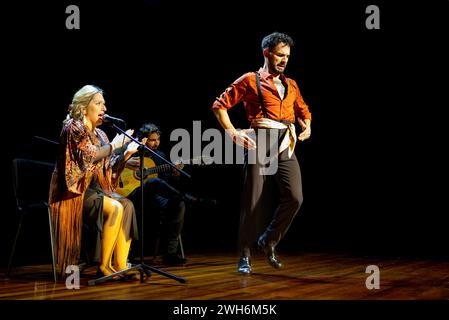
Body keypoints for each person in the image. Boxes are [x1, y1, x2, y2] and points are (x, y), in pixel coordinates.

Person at [211, 32, 312, 274]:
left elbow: (303, 111)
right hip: (260, 140)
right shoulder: (250, 79)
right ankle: (244, 255)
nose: (284, 60)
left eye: (287, 56)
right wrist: (233, 132)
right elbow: (219, 105)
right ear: (267, 52)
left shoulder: (291, 84)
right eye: (279, 54)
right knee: (252, 201)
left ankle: (268, 240)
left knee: (295, 197)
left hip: (285, 143)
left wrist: (307, 125)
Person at [49, 84, 142, 279]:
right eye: (99, 103)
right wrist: (113, 146)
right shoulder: (72, 127)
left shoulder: (101, 134)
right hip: (74, 190)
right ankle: (104, 266)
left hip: (94, 188)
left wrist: (124, 156)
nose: (104, 109)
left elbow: (107, 169)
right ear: (83, 107)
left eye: (104, 104)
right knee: (115, 207)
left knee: (127, 205)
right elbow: (89, 157)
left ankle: (120, 264)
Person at [123, 122, 190, 266]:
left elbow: (164, 183)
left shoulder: (160, 156)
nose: (156, 143)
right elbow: (116, 165)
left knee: (178, 204)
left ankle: (170, 254)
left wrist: (175, 174)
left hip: (154, 198)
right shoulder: (130, 151)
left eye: (158, 139)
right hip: (132, 194)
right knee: (152, 183)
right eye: (152, 140)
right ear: (143, 140)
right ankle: (189, 197)